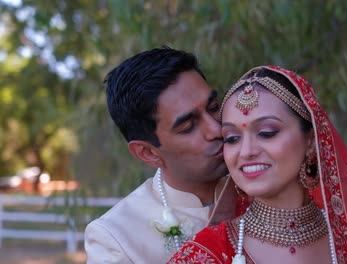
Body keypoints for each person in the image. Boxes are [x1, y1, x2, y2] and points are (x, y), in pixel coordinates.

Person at [169, 66, 347, 263]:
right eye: (231, 138)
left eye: (267, 132)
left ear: (311, 142)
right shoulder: (205, 254)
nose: (246, 151)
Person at [84, 47, 238, 263]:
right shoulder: (116, 238)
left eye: (213, 107)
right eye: (188, 126)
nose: (216, 129)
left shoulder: (265, 186)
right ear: (147, 153)